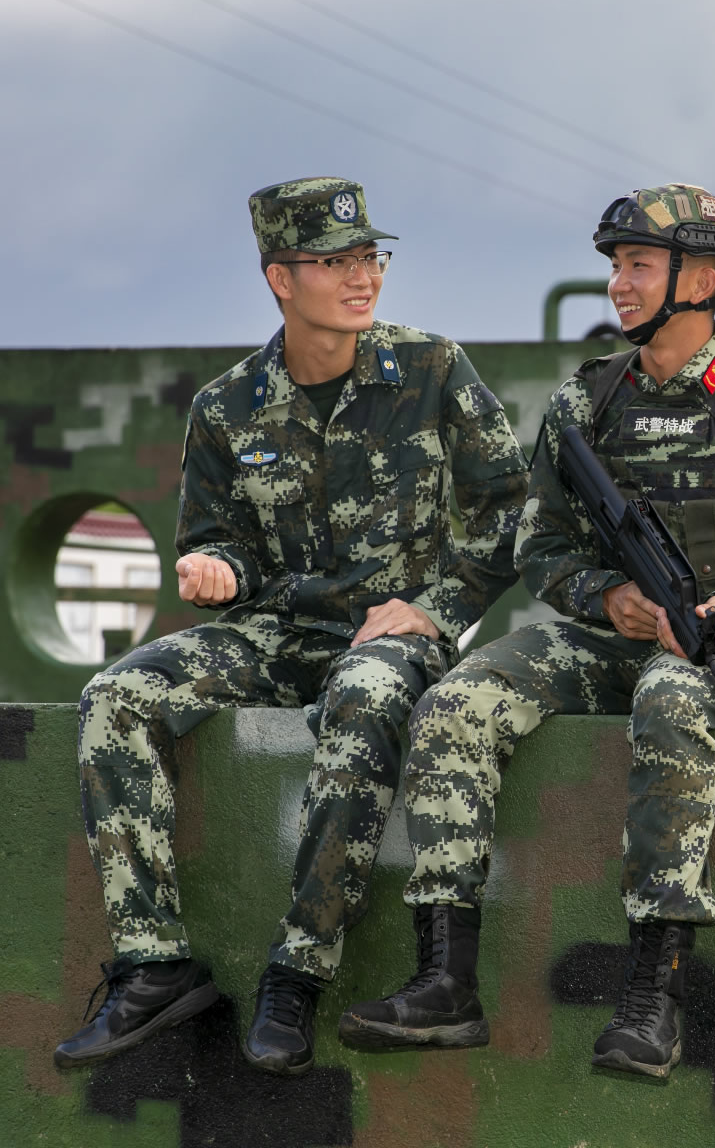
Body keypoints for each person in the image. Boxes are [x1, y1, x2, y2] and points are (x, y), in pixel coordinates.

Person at [340, 184, 715, 1079]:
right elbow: (538, 543)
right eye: (616, 266)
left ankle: (653, 996)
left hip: (713, 649)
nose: (619, 284)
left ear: (702, 277)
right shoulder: (588, 402)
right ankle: (444, 982)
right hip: (602, 637)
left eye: (638, 266)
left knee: (668, 700)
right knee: (458, 699)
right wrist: (604, 593)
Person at [53, 177, 528, 1077]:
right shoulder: (228, 407)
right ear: (280, 276)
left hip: (394, 637)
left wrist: (437, 608)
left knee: (365, 696)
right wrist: (217, 570)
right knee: (116, 696)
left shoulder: (432, 371)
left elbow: (514, 512)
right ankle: (153, 968)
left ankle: (297, 974)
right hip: (274, 635)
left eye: (369, 257)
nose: (362, 278)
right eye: (335, 262)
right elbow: (219, 542)